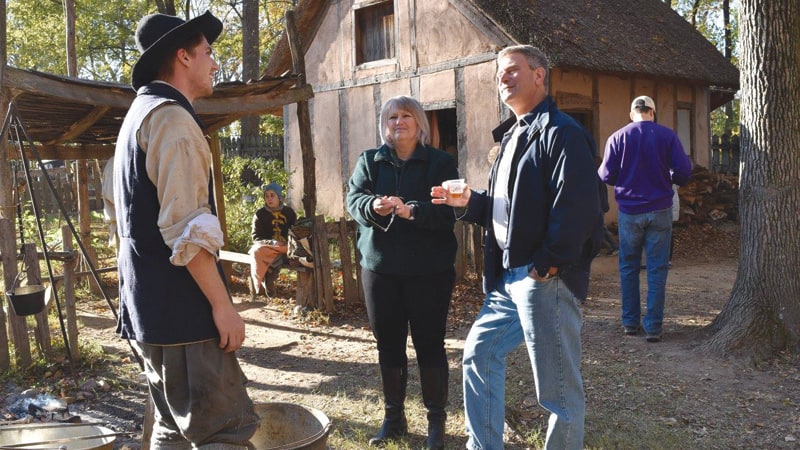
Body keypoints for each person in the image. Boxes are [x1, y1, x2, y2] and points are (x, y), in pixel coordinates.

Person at [432, 45, 602, 450]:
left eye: (511, 71)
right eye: (498, 74)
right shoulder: (511, 136)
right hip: (509, 280)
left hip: (544, 278)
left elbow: (580, 206)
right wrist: (471, 203)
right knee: (478, 353)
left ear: (539, 75)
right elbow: (508, 208)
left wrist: (547, 265)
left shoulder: (563, 133)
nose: (501, 80)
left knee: (558, 392)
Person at [113, 11, 259, 448]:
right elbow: (186, 230)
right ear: (182, 56)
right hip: (183, 316)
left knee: (172, 430)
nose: (215, 63)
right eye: (208, 52)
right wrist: (222, 306)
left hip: (148, 311)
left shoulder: (137, 115)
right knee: (223, 433)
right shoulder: (172, 121)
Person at [346, 95, 459, 450]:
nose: (399, 122)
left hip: (429, 273)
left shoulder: (440, 163)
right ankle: (393, 419)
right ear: (385, 124)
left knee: (430, 345)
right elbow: (353, 200)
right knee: (388, 345)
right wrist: (373, 205)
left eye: (407, 115)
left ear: (420, 123)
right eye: (392, 116)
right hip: (381, 271)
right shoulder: (370, 161)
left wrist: (412, 212)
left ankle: (436, 424)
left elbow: (449, 213)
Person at [597, 95, 692, 343]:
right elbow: (684, 171)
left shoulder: (618, 137)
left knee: (628, 267)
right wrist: (670, 177)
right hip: (660, 209)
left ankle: (630, 322)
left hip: (630, 210)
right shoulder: (667, 136)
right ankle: (653, 327)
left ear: (632, 114)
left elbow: (606, 174)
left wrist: (625, 180)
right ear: (652, 112)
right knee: (657, 269)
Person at [248, 182, 296, 296]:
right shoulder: (260, 214)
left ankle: (270, 273)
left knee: (294, 248)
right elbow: (255, 237)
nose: (269, 199)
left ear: (279, 197)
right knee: (256, 251)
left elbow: (295, 232)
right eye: (267, 196)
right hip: (269, 247)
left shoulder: (289, 213)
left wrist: (288, 241)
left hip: (285, 247)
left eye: (272, 195)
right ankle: (263, 282)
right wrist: (272, 242)